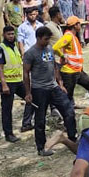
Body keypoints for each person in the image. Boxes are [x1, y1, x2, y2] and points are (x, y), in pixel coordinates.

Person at [24, 27, 75, 156]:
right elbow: (25, 73)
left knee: (68, 110)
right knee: (40, 120)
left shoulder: (50, 49)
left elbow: (55, 67)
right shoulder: (30, 53)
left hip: (53, 87)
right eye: (46, 39)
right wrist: (28, 93)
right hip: (39, 90)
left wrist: (60, 84)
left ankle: (72, 138)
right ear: (39, 38)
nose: (48, 41)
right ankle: (41, 147)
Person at [0, 26, 26, 143]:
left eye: (12, 34)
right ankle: (9, 134)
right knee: (7, 109)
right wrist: (4, 84)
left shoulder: (15, 47)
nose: (11, 36)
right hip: (7, 83)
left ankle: (27, 123)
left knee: (30, 99)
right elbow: (0, 67)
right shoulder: (0, 48)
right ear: (4, 35)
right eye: (9, 34)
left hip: (18, 81)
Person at [53, 16, 89, 104]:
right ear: (75, 25)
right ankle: (63, 111)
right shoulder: (68, 36)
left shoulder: (73, 36)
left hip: (77, 70)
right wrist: (62, 55)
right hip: (69, 72)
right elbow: (55, 47)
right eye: (79, 23)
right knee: (67, 95)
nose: (80, 25)